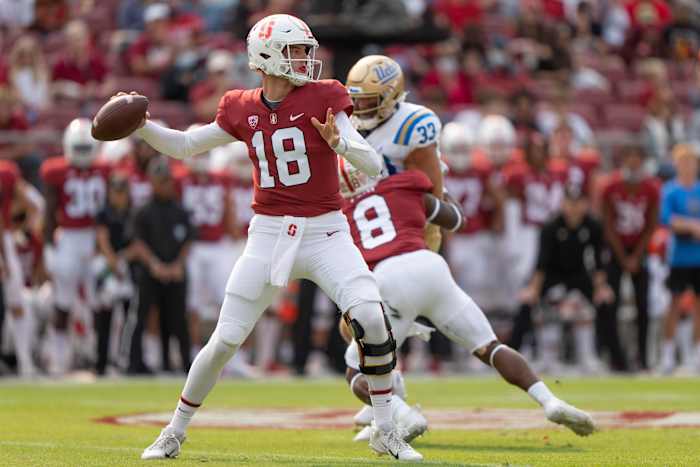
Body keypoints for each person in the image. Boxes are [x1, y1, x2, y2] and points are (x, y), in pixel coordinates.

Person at [127, 14, 420, 461]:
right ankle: (174, 431)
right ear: (267, 56)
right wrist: (143, 126)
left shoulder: (326, 96)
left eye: (306, 50)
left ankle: (385, 429)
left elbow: (373, 165)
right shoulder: (239, 106)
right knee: (224, 341)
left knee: (372, 318)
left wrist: (340, 144)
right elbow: (186, 146)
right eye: (296, 51)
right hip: (267, 235)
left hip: (326, 231)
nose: (306, 59)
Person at [338, 160, 597, 443]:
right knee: (490, 347)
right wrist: (442, 190)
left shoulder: (343, 213)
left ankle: (403, 414)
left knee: (357, 369)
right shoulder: (404, 185)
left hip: (387, 278)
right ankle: (550, 401)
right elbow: (457, 220)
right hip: (430, 266)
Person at [345, 55, 444, 251]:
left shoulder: (412, 124)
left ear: (390, 96)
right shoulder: (345, 125)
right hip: (360, 221)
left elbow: (432, 189)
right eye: (355, 99)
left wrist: (430, 228)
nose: (359, 107)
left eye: (368, 101)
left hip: (404, 224)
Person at [520, 184, 615, 372]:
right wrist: (533, 290)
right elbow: (541, 263)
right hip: (552, 276)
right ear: (563, 204)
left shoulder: (593, 225)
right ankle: (529, 355)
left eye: (578, 203)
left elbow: (598, 263)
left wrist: (601, 288)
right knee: (529, 306)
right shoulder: (551, 226)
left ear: (585, 204)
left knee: (604, 304)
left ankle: (606, 357)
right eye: (570, 203)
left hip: (579, 275)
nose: (574, 208)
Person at [40, 119, 109, 375]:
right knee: (63, 300)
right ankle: (59, 356)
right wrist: (48, 247)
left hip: (95, 238)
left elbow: (111, 211)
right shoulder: (55, 171)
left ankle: (98, 355)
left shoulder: (104, 169)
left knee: (100, 299)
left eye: (85, 149)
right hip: (69, 237)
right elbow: (49, 212)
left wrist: (107, 249)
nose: (81, 155)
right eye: (77, 149)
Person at [175, 128, 237, 358]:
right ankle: (193, 354)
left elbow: (228, 210)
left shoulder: (222, 179)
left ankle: (232, 357)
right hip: (193, 247)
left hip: (218, 245)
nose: (201, 159)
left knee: (230, 301)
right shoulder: (179, 179)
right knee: (193, 305)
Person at [131, 157, 193, 375]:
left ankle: (186, 363)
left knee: (178, 319)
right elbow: (138, 242)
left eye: (168, 180)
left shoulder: (181, 210)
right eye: (161, 181)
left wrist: (178, 265)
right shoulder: (143, 211)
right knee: (142, 316)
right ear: (152, 182)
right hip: (151, 271)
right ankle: (135, 364)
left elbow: (188, 240)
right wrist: (154, 265)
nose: (166, 185)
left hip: (175, 271)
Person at [601, 144, 660, 370]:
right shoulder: (611, 186)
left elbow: (651, 224)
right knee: (610, 306)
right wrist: (623, 257)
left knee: (643, 306)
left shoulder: (650, 188)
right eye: (629, 157)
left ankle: (643, 358)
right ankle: (615, 358)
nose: (633, 162)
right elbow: (607, 224)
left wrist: (636, 255)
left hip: (639, 249)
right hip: (616, 250)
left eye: (637, 157)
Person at [658, 143, 700, 374]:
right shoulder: (671, 190)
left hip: (698, 257)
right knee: (673, 305)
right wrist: (691, 226)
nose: (687, 166)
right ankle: (667, 355)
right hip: (679, 257)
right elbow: (666, 220)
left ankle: (696, 354)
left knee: (698, 307)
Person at [94, 172, 139, 376]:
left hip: (125, 266)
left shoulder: (132, 213)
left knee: (128, 317)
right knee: (105, 316)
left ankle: (123, 360)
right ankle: (101, 362)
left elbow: (137, 244)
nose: (119, 196)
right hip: (107, 265)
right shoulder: (104, 213)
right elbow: (101, 239)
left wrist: (122, 259)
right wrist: (113, 260)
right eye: (116, 191)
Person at [0, 159, 38, 376]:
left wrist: (14, 227)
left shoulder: (7, 173)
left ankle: (25, 363)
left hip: (4, 238)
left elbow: (31, 205)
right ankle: (25, 365)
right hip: (4, 239)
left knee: (17, 303)